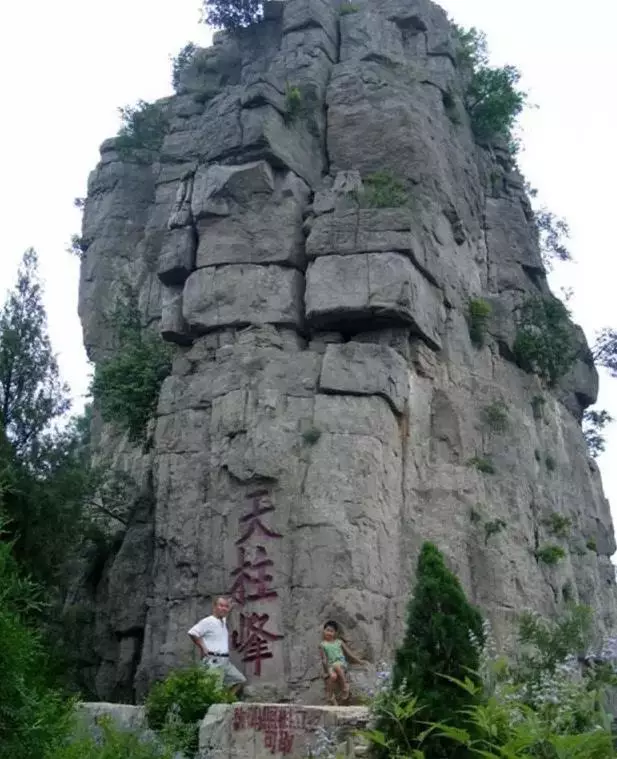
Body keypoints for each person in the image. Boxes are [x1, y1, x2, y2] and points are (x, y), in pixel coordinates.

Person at [188, 597, 247, 696]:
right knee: (213, 690)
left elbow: (225, 614)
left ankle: (225, 700)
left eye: (226, 606)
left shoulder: (222, 621)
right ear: (214, 607)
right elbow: (192, 633)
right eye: (221, 606)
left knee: (240, 680)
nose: (224, 608)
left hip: (225, 661)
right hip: (213, 660)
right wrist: (203, 647)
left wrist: (230, 607)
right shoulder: (208, 621)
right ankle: (216, 706)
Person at [319, 620, 367, 705]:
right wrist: (327, 671)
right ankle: (331, 697)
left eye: (331, 631)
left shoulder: (339, 642)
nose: (329, 633)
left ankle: (345, 686)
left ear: (335, 633)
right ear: (324, 631)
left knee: (337, 666)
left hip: (341, 663)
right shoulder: (323, 644)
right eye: (327, 630)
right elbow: (324, 659)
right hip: (331, 665)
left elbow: (349, 653)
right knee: (333, 677)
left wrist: (359, 661)